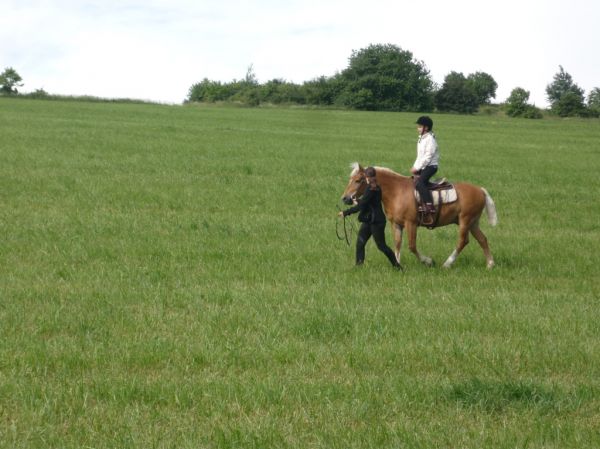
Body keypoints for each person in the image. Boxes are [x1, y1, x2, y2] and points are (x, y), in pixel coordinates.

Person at [338, 167, 402, 269]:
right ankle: (359, 266)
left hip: (376, 222)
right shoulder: (375, 187)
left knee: (382, 246)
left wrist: (345, 213)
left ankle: (397, 265)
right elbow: (367, 202)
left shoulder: (370, 189)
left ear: (366, 177)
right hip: (369, 220)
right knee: (360, 243)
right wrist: (357, 201)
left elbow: (362, 206)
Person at [410, 116, 440, 214]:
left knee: (420, 183)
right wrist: (415, 167)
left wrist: (417, 168)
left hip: (431, 167)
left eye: (419, 126)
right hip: (424, 166)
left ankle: (429, 205)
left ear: (426, 128)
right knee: (413, 182)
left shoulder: (430, 140)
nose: (417, 128)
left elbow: (428, 157)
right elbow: (419, 156)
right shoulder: (421, 139)